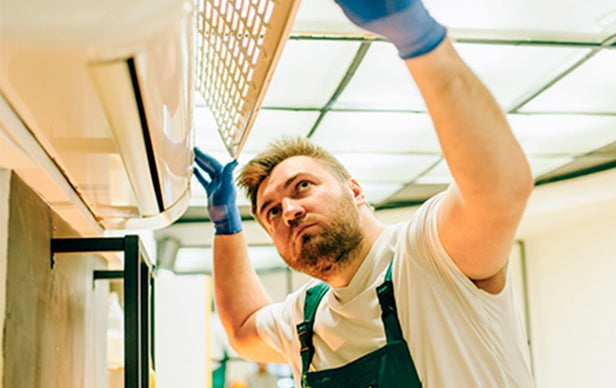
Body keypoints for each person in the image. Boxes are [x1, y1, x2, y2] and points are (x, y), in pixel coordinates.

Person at [192, 0, 535, 386]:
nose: (288, 211)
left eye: (302, 186)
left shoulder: (427, 254)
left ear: (355, 190)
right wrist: (226, 228)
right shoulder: (306, 317)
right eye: (270, 212)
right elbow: (242, 328)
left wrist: (420, 40)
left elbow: (499, 190)